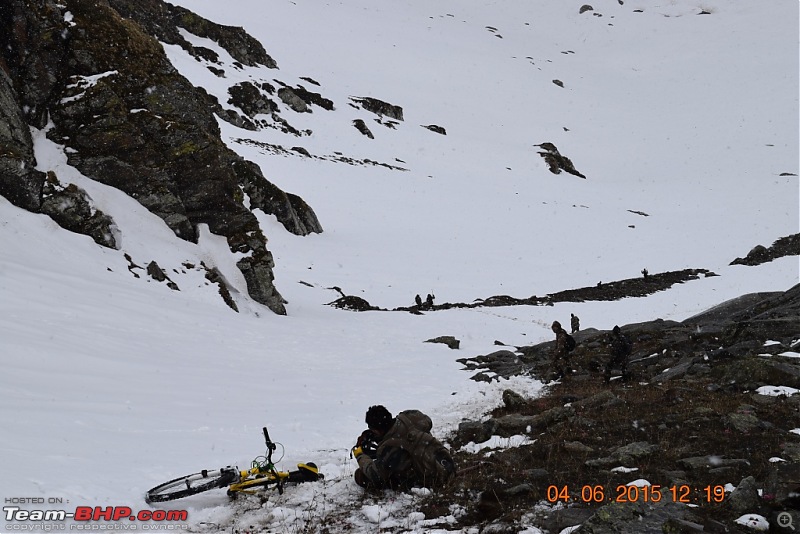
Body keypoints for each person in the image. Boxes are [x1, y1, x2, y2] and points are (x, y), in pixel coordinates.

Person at [352, 405, 456, 491]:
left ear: (377, 430)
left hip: (433, 479)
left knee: (360, 475)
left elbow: (374, 474)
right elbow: (428, 422)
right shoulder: (409, 417)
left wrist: (360, 455)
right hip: (445, 462)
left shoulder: (389, 448)